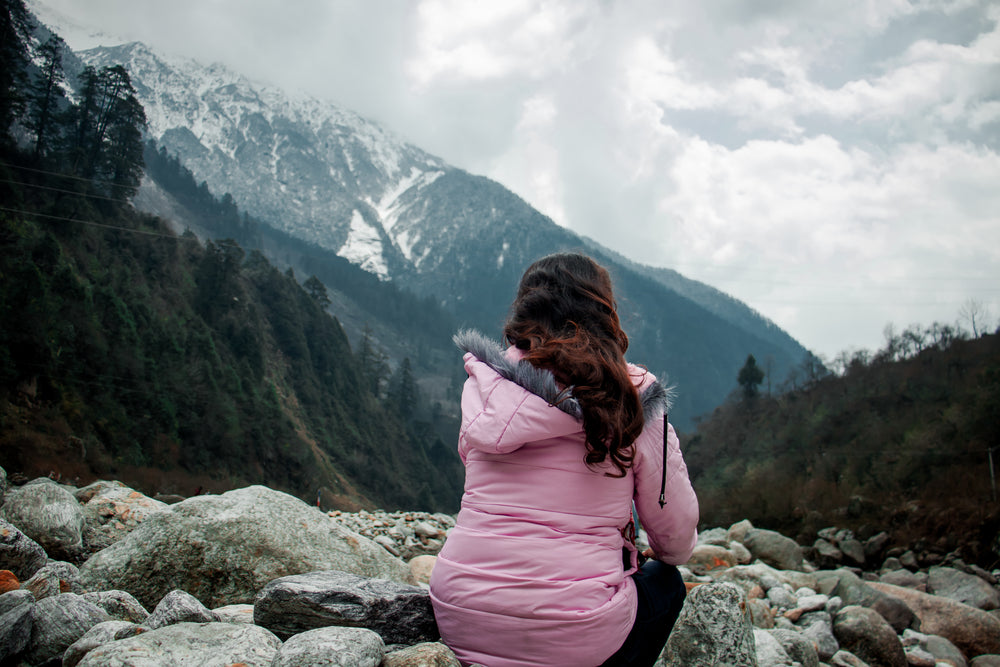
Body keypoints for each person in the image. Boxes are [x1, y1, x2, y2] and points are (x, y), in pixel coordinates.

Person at [429, 252, 699, 667]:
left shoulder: (485, 387)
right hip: (578, 630)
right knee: (666, 583)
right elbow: (674, 534)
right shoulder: (634, 397)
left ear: (524, 310)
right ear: (603, 312)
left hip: (459, 613)